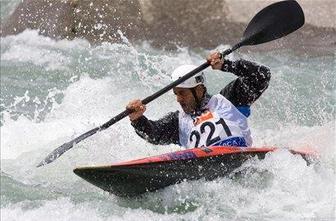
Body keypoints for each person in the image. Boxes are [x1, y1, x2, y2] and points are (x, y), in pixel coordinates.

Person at [126, 52, 271, 149]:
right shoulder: (178, 122)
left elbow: (262, 75)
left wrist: (226, 65)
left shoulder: (228, 100)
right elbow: (154, 133)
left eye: (182, 93)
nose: (178, 99)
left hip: (240, 162)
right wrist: (137, 119)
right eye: (176, 93)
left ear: (199, 89)